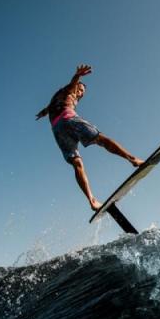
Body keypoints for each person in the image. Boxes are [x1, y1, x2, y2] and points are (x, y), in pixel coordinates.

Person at [36, 64, 144, 211]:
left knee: (77, 162)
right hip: (69, 118)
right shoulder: (69, 90)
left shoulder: (59, 97)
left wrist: (43, 113)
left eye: (82, 92)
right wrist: (78, 76)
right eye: (80, 89)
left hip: (57, 129)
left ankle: (92, 200)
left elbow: (49, 108)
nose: (80, 93)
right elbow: (73, 83)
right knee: (101, 139)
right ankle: (133, 160)